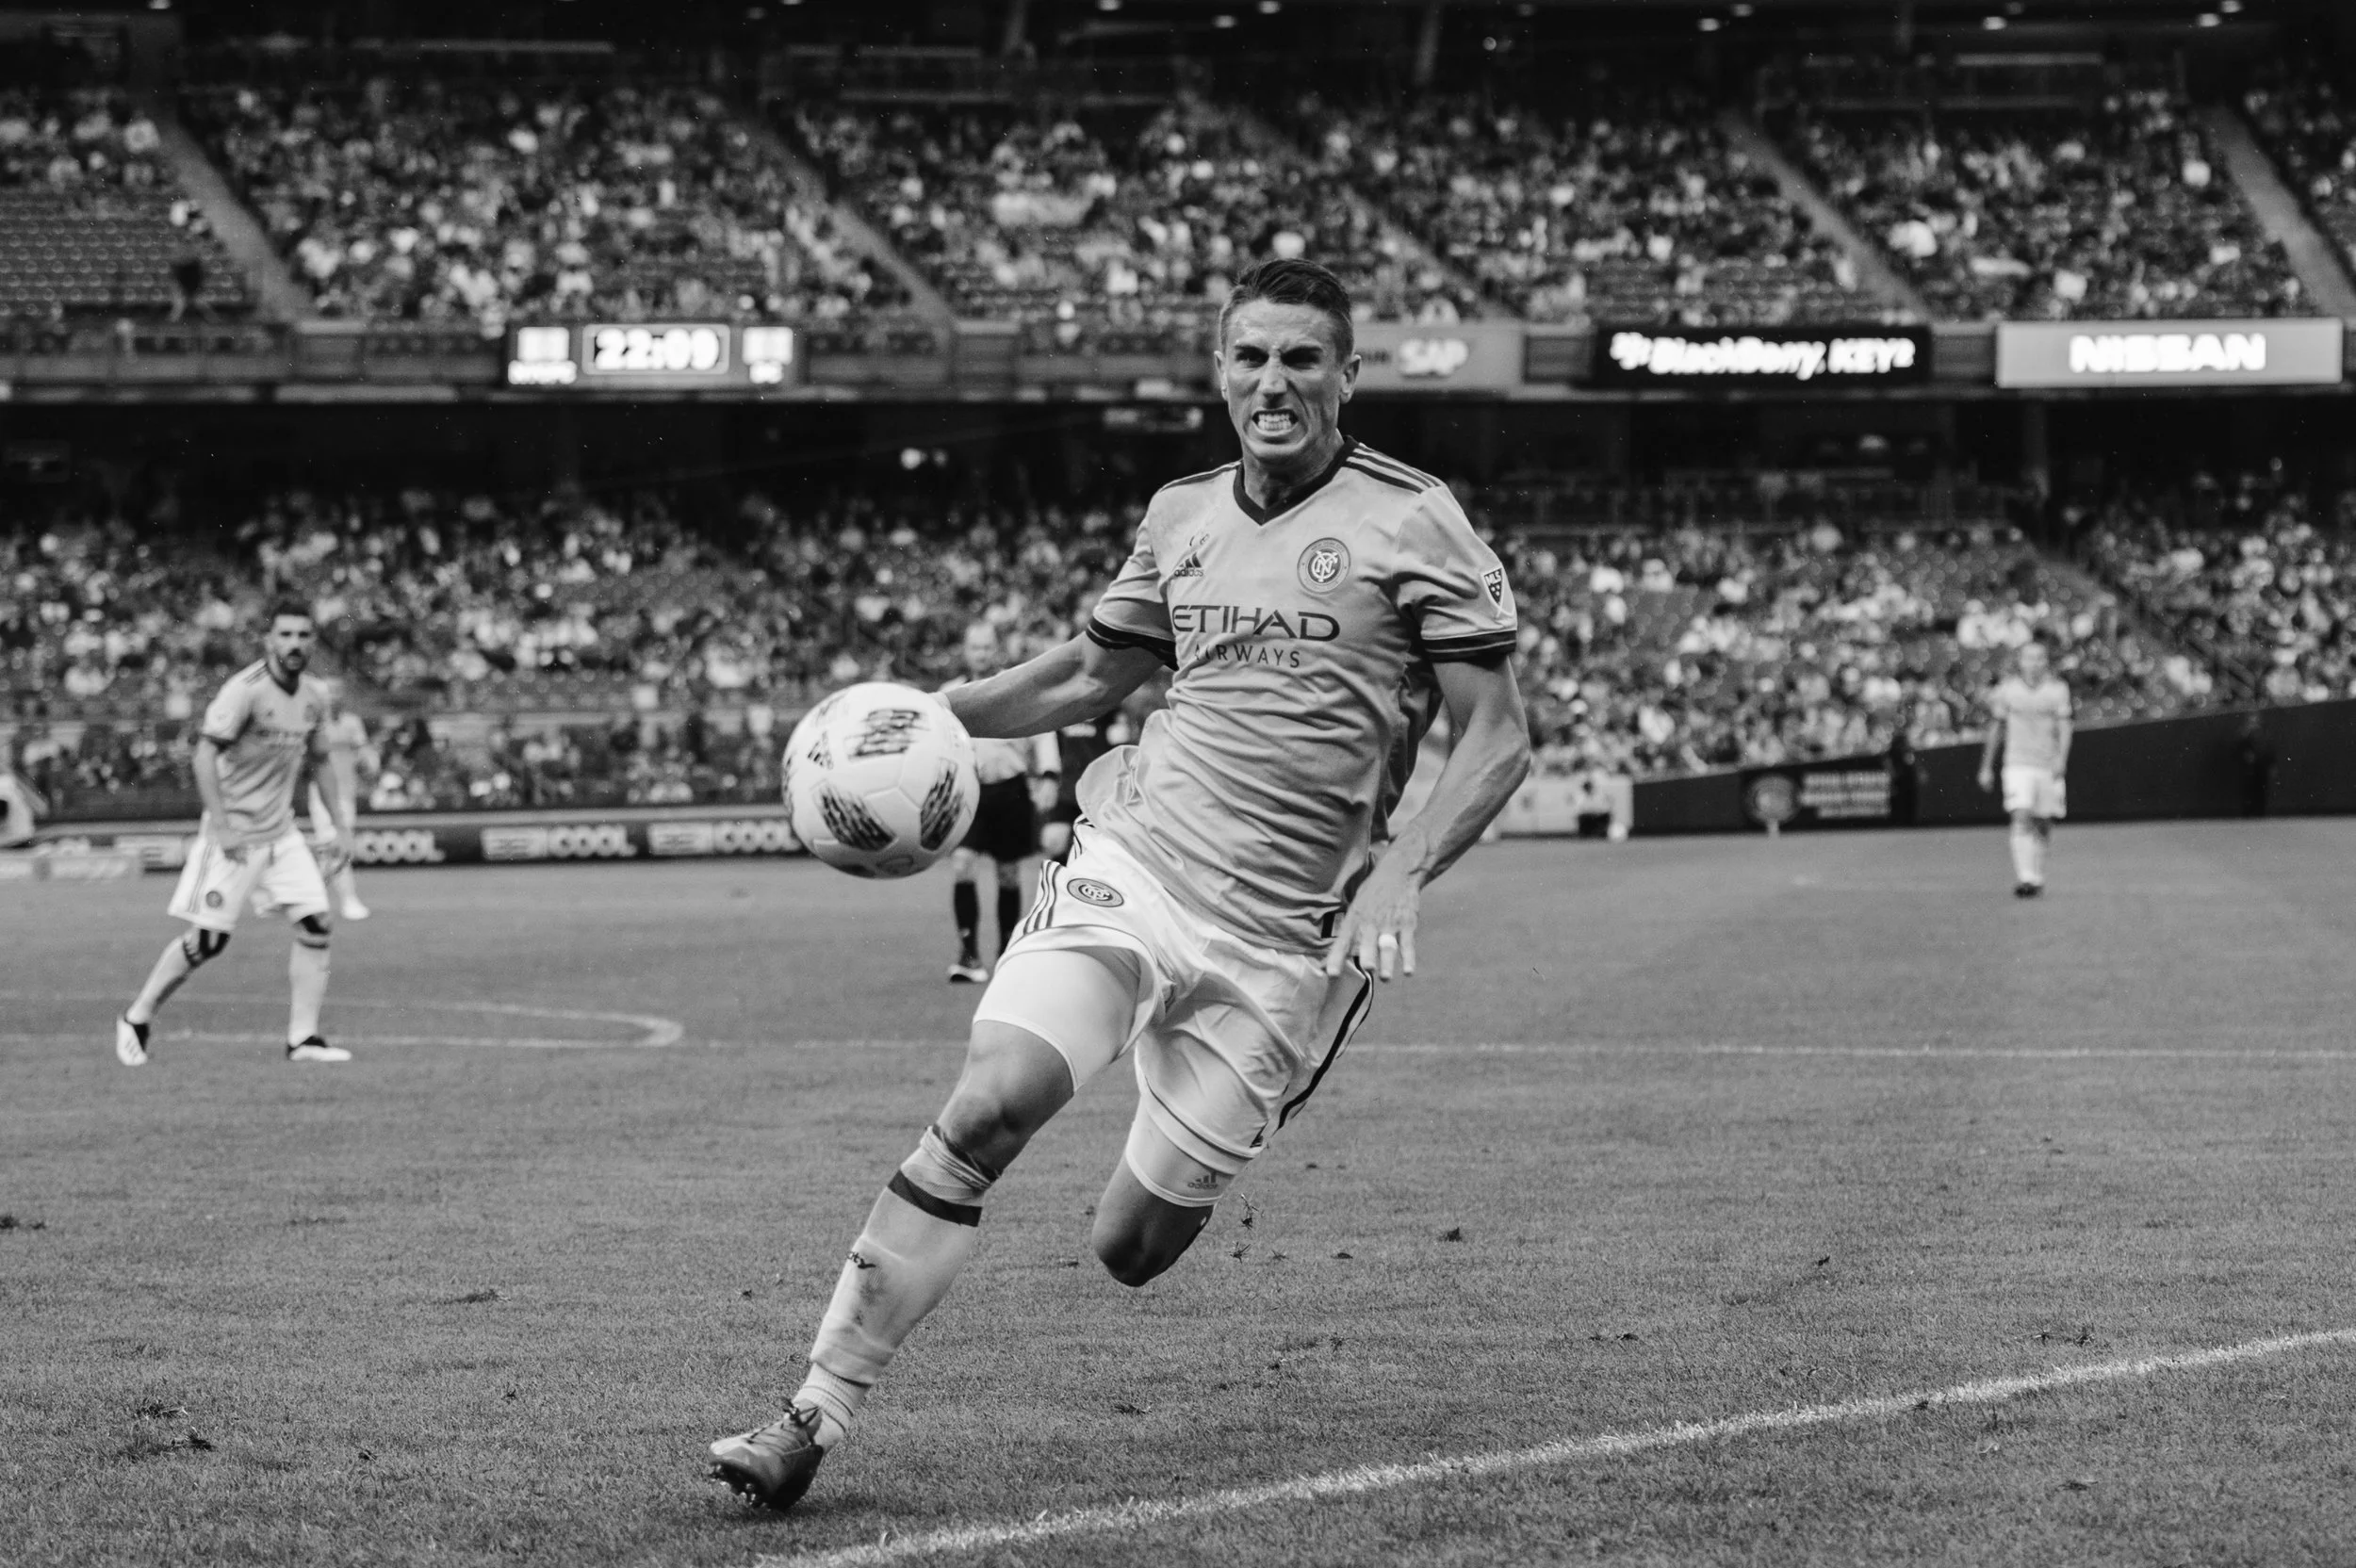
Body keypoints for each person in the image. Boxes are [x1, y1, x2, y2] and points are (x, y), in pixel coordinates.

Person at [711, 257, 1531, 1511]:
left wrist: (1401, 874)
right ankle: (809, 1415)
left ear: (1348, 375)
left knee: (1132, 1248)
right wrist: (930, 714)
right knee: (994, 1101)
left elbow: (1499, 733)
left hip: (1286, 946)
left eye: (1303, 358)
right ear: (1218, 370)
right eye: (1250, 356)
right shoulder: (1181, 514)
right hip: (1135, 866)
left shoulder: (1414, 518)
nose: (1274, 382)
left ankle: (1207, 1114)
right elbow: (1093, 677)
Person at [114, 602, 353, 1067]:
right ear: (268, 639)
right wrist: (221, 826)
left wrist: (340, 828)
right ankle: (137, 1018)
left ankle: (302, 1039)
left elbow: (320, 759)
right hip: (236, 836)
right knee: (208, 942)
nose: (295, 644)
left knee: (317, 924)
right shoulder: (243, 691)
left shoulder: (315, 695)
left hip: (281, 832)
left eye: (304, 635)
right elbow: (204, 757)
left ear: (313, 642)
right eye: (285, 634)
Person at [943, 622, 1059, 983]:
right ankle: (968, 954)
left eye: (986, 647)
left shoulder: (1013, 686)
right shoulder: (948, 694)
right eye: (974, 647)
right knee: (962, 864)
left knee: (1008, 874)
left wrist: (1050, 774)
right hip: (968, 793)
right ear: (966, 650)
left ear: (996, 650)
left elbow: (1041, 727)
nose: (980, 653)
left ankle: (1007, 951)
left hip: (1010, 789)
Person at [1977, 638, 2072, 898]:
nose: (2034, 663)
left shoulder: (2058, 690)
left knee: (2043, 822)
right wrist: (1986, 766)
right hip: (2017, 763)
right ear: (2019, 662)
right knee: (2021, 815)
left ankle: (2037, 874)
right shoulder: (2007, 690)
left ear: (2046, 661)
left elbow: (2064, 728)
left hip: (2046, 763)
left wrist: (2061, 758)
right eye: (2029, 657)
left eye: (2039, 657)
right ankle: (2026, 877)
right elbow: (1996, 728)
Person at [304, 680, 375, 921]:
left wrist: (369, 762)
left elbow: (365, 754)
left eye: (336, 692)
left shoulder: (351, 723)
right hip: (322, 795)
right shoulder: (311, 723)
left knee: (332, 847)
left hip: (347, 794)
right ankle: (348, 900)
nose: (332, 697)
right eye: (328, 693)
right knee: (335, 844)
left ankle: (308, 896)